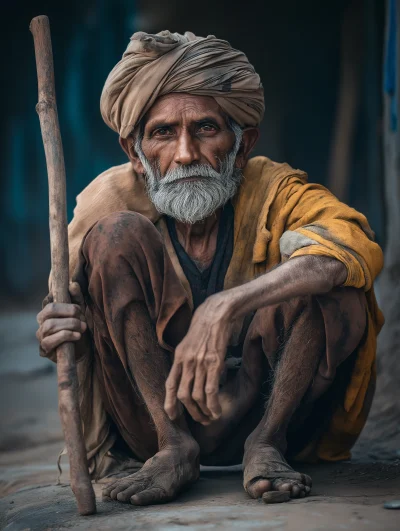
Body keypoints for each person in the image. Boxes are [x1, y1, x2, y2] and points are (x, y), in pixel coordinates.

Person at [36, 31, 384, 506]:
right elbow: (68, 312)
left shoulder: (275, 190)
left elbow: (351, 245)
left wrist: (225, 306)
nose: (185, 154)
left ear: (242, 146)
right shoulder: (109, 203)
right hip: (151, 415)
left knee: (334, 280)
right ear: (136, 155)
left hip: (271, 403)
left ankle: (267, 442)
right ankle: (173, 445)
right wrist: (57, 330)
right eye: (163, 133)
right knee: (115, 236)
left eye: (205, 129)